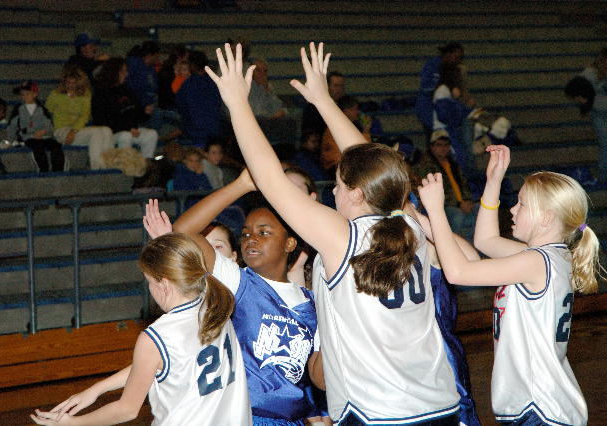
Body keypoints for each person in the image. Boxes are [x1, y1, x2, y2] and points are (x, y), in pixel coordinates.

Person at [206, 42, 460, 424]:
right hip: (439, 402)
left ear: (356, 193)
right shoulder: (410, 224)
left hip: (378, 412)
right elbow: (376, 167)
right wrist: (324, 102)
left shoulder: (344, 237)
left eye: (339, 185)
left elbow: (271, 179)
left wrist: (238, 104)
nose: (334, 192)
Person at [418, 145, 600, 425]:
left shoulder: (536, 262)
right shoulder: (548, 257)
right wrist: (493, 182)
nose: (513, 209)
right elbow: (485, 241)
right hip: (536, 404)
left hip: (540, 406)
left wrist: (435, 211)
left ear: (546, 217)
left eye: (522, 204)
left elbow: (458, 272)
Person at [144, 170, 320, 425]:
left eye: (263, 232)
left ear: (290, 244)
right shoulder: (239, 281)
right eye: (245, 234)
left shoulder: (312, 303)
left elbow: (317, 378)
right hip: (242, 416)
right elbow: (183, 231)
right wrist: (241, 184)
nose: (251, 240)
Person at [30, 232, 251, 425]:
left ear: (164, 284)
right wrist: (97, 389)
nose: (149, 289)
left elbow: (127, 410)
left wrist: (74, 423)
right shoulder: (215, 306)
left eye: (149, 281)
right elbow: (155, 365)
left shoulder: (158, 335)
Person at [46, 66, 113, 170]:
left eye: (74, 83)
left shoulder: (85, 95)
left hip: (77, 130)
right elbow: (46, 113)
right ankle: (95, 167)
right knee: (97, 132)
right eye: (68, 82)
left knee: (106, 130)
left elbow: (85, 115)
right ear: (64, 82)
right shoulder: (55, 95)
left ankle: (107, 165)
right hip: (61, 130)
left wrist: (74, 130)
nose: (70, 85)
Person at [92, 57, 158, 159]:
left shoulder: (126, 90)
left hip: (130, 130)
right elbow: (103, 121)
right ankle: (124, 165)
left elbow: (135, 113)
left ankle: (145, 164)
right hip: (111, 134)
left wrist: (145, 112)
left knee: (151, 134)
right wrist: (127, 129)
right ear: (114, 72)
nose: (126, 74)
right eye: (123, 71)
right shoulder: (101, 93)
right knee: (125, 136)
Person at [415, 129, 474, 240]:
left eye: (446, 145)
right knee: (458, 216)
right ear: (432, 147)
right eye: (439, 145)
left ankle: (471, 245)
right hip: (443, 205)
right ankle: (451, 244)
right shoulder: (425, 166)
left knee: (479, 211)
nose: (443, 148)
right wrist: (459, 204)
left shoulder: (453, 164)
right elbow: (429, 192)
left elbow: (464, 185)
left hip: (461, 203)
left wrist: (467, 200)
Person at [433, 64, 481, 178]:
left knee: (464, 155)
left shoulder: (449, 91)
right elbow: (445, 116)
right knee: (459, 158)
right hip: (444, 130)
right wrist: (458, 103)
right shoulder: (442, 91)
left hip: (452, 130)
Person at [416, 42, 466, 147]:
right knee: (434, 143)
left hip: (443, 114)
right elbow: (425, 87)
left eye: (460, 58)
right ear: (448, 54)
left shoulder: (454, 69)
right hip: (429, 111)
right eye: (456, 57)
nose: (457, 60)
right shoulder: (432, 66)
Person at [8, 81, 64, 173]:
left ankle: (58, 169)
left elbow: (49, 124)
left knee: (56, 145)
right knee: (38, 146)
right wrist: (11, 139)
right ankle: (43, 169)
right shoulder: (19, 109)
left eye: (27, 94)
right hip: (28, 137)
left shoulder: (42, 109)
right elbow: (12, 125)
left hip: (44, 136)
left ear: (35, 94)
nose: (24, 97)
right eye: (22, 95)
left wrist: (44, 131)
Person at [572, 48, 607, 184]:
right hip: (598, 114)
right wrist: (584, 102)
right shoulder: (590, 74)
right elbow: (573, 88)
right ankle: (603, 176)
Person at [176, 50, 223, 148]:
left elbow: (182, 108)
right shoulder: (214, 83)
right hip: (215, 131)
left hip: (195, 133)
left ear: (192, 65)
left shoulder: (188, 85)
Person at [320, 95, 371, 175]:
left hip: (342, 163)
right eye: (353, 109)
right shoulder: (338, 126)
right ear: (345, 111)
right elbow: (362, 149)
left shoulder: (343, 124)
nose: (357, 112)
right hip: (337, 166)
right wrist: (366, 131)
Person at [301, 71, 345, 139]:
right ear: (327, 86)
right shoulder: (313, 107)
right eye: (336, 86)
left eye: (341, 86)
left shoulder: (346, 105)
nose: (339, 89)